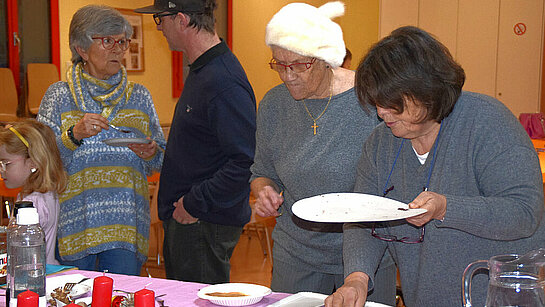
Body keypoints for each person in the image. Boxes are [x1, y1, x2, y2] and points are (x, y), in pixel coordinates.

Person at [325, 26, 545, 307]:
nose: (381, 112)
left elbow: (524, 213)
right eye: (378, 102)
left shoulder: (488, 123)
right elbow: (363, 219)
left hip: (494, 298)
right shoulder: (380, 143)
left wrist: (445, 208)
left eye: (392, 102)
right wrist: (357, 278)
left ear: (427, 90)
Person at [249, 2, 395, 303]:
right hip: (297, 253)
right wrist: (264, 191)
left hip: (368, 254)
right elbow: (261, 171)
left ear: (325, 58)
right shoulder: (273, 105)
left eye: (299, 65)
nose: (287, 76)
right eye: (279, 64)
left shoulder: (370, 100)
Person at [37, 5, 165, 275]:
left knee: (121, 299)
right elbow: (39, 162)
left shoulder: (139, 96)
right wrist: (73, 136)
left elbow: (162, 160)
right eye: (108, 41)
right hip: (76, 229)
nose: (119, 49)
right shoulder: (59, 96)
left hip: (126, 231)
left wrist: (150, 152)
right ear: (81, 49)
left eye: (122, 41)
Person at [134, 0, 256, 284]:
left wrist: (193, 203)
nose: (160, 28)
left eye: (160, 19)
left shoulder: (223, 80)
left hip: (202, 222)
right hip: (191, 220)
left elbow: (244, 161)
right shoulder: (203, 70)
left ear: (181, 19)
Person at [0, 119, 68, 265]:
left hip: (32, 276)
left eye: (6, 163)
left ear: (33, 162)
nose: (2, 171)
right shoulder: (44, 194)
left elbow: (19, 251)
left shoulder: (32, 203)